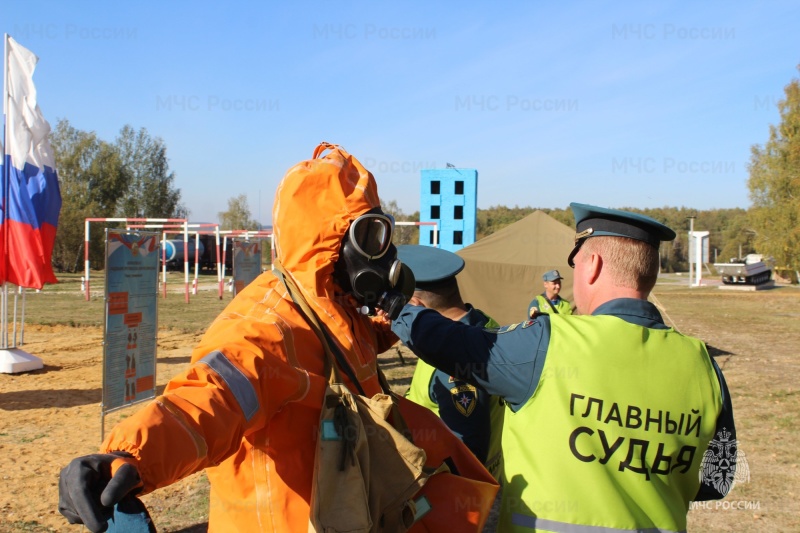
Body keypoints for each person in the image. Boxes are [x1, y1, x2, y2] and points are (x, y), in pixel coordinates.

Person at [57, 143, 489, 532]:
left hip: (351, 509)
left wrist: (394, 313)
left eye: (383, 235)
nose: (382, 254)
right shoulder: (264, 329)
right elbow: (208, 398)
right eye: (370, 237)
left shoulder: (333, 307)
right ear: (330, 241)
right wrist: (130, 456)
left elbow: (353, 350)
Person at [392, 202, 737, 533]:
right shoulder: (704, 366)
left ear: (593, 265)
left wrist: (388, 300)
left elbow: (446, 342)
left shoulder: (548, 342)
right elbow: (717, 481)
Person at [398, 244, 504, 480]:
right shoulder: (484, 324)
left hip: (449, 493)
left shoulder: (453, 361)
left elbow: (465, 456)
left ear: (416, 306)